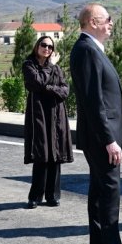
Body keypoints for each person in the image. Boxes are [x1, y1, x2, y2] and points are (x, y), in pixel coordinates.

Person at [69, 3, 122, 244]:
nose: (111, 23)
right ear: (93, 22)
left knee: (99, 192)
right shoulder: (86, 49)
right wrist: (109, 139)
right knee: (109, 194)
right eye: (108, 19)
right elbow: (93, 100)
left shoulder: (91, 48)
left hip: (99, 135)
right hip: (101, 137)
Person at [23, 35, 74, 209]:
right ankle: (35, 197)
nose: (47, 49)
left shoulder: (56, 68)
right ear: (37, 46)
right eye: (44, 45)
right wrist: (50, 68)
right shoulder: (29, 65)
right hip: (39, 114)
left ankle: (52, 195)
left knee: (55, 155)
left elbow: (65, 90)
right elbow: (37, 83)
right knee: (41, 154)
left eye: (50, 47)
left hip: (56, 114)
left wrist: (48, 88)